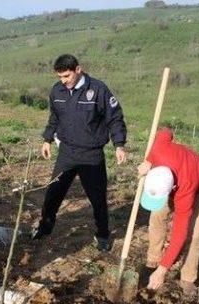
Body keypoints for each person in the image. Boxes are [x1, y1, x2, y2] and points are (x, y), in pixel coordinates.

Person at [31, 54, 128, 251]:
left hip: (91, 155)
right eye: (60, 77)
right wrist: (47, 139)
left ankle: (102, 235)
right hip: (66, 153)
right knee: (53, 194)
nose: (63, 81)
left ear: (78, 70)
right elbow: (54, 117)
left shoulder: (98, 90)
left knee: (98, 198)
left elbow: (114, 118)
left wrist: (119, 144)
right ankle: (45, 227)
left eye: (66, 76)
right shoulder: (57, 90)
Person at [138, 128, 199, 297]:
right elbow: (165, 132)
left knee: (193, 233)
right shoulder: (159, 150)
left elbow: (179, 234)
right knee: (157, 215)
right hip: (175, 171)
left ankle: (188, 279)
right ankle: (153, 260)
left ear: (172, 189)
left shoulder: (185, 191)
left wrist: (163, 271)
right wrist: (148, 160)